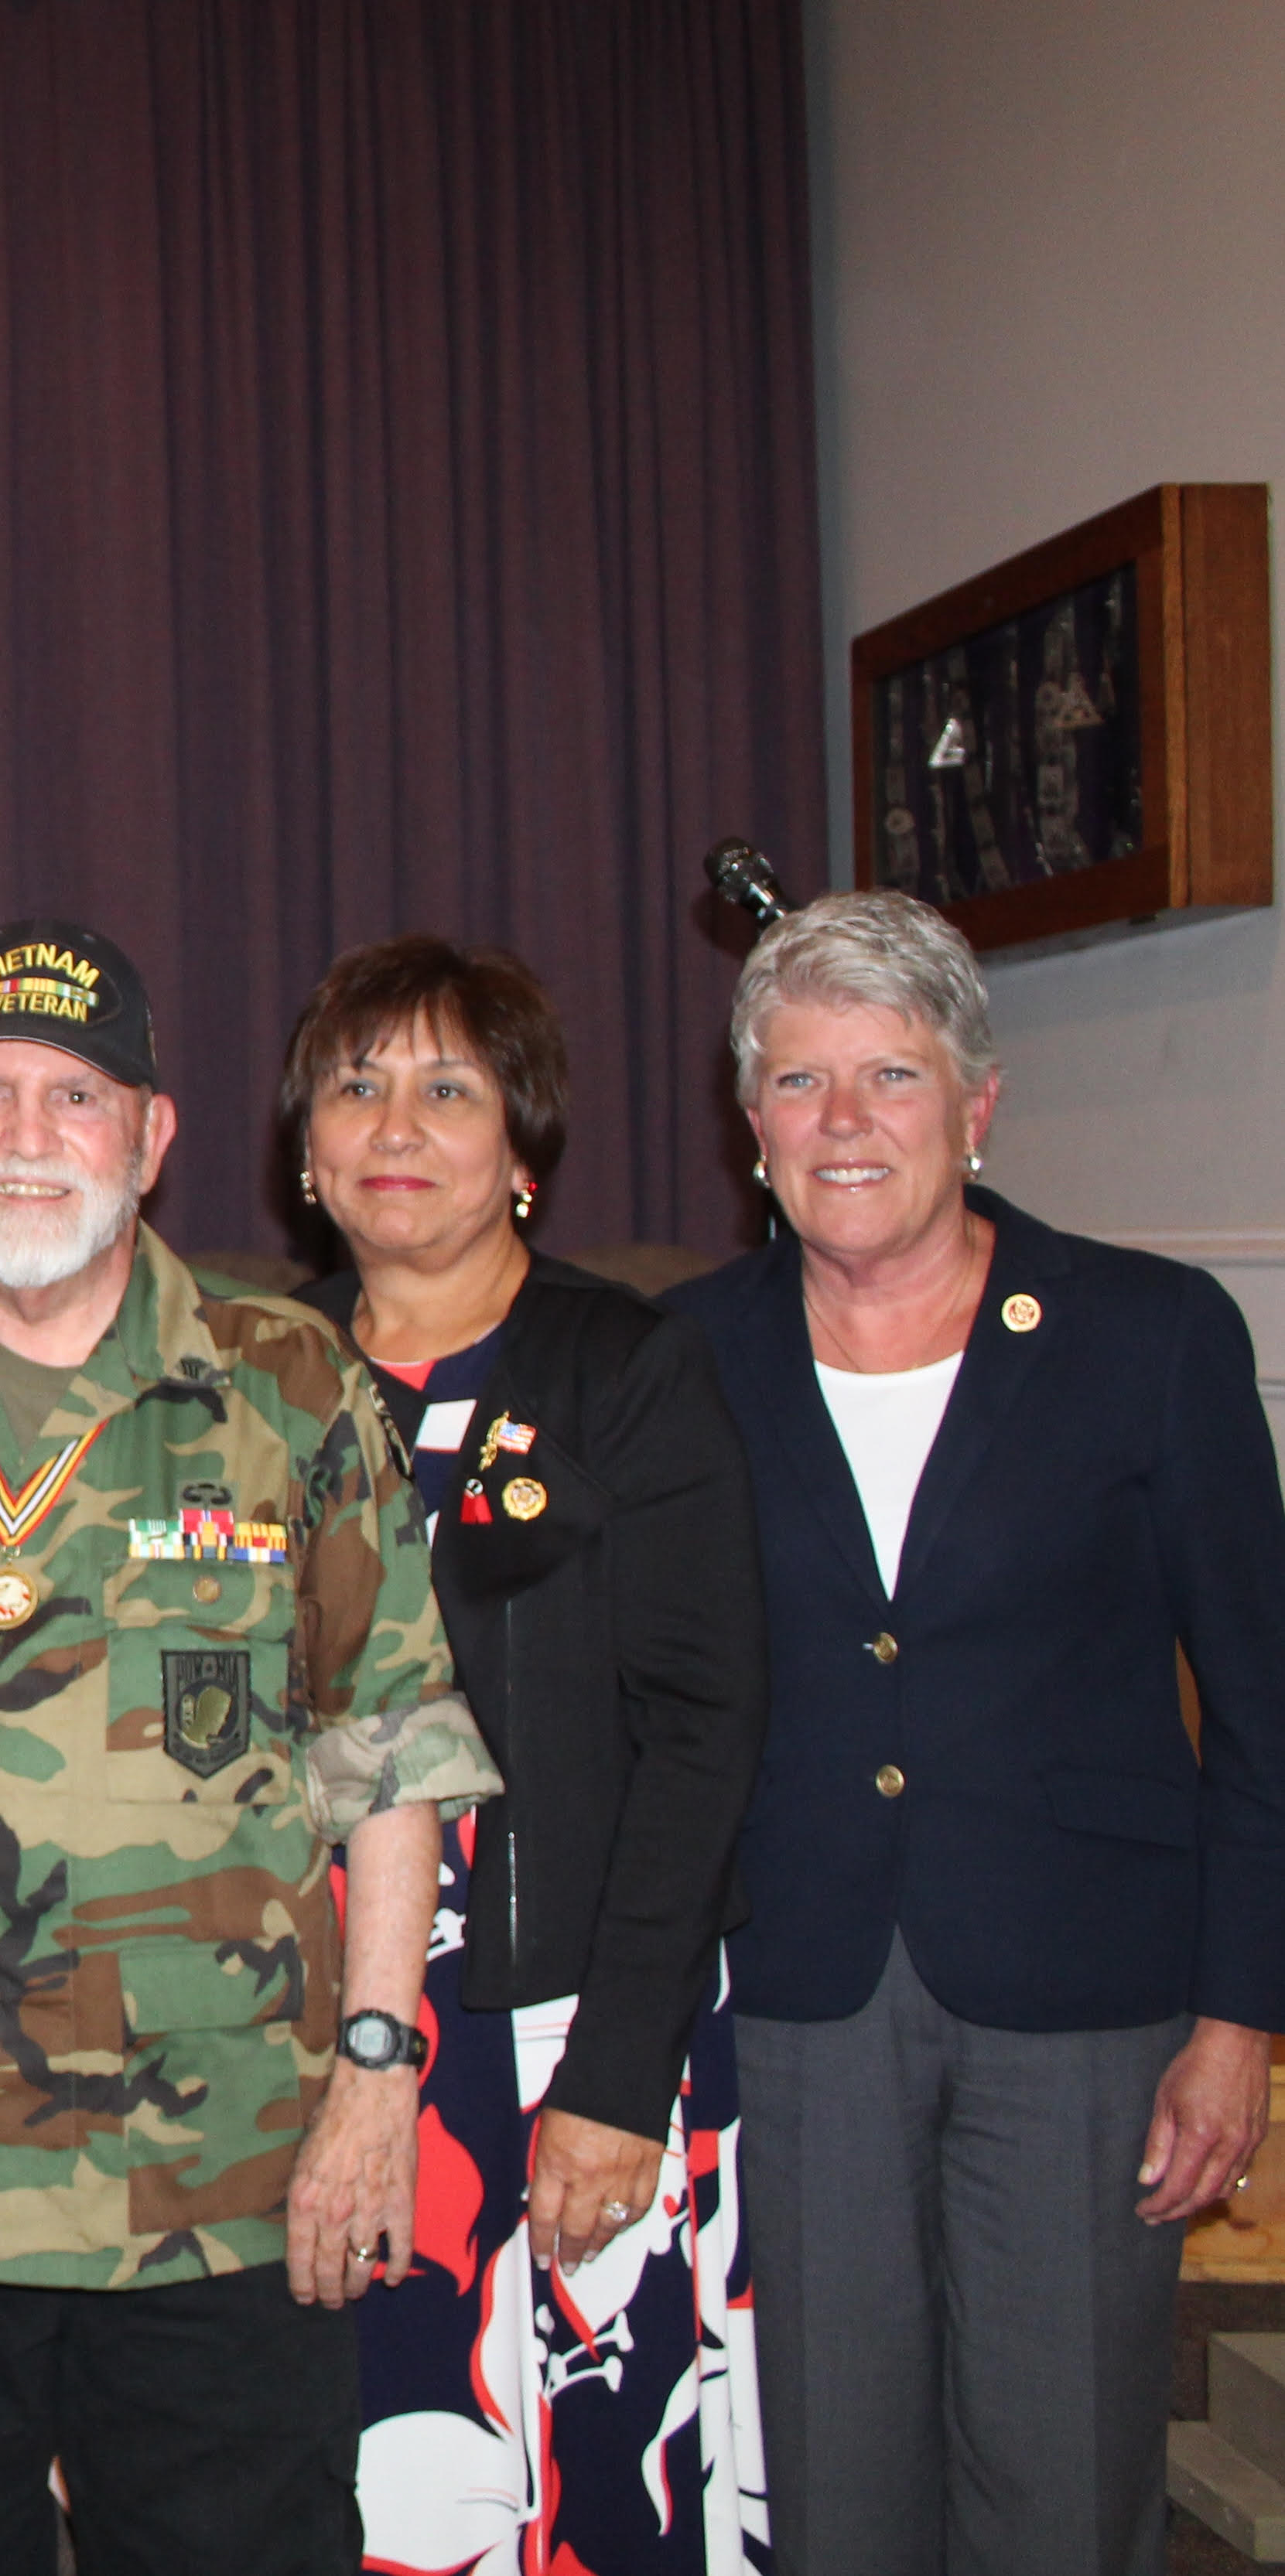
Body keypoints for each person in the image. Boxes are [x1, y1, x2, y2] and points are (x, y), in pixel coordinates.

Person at [0, 918, 501, 2576]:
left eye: (78, 1096)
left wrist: (376, 2077)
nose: (27, 1136)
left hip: (212, 2175)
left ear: (152, 1135)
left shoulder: (286, 1384)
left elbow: (390, 1752)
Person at [665, 888, 1285, 2576]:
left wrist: (1239, 2019)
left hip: (1083, 2000)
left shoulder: (1151, 1334)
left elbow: (1261, 1702)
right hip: (795, 1989)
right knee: (831, 2488)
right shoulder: (686, 1354)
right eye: (798, 1082)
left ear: (976, 1104)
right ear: (750, 1124)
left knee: (1062, 2486)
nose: (843, 1122)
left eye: (890, 1076)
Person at [285, 936, 769, 2571]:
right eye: (356, 1087)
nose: (393, 1126)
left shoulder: (623, 1368)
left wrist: (616, 2078)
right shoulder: (248, 1374)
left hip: (561, 2023)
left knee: (587, 2489)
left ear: (521, 1149)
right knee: (353, 2471)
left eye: (446, 1089)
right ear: (304, 1151)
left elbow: (703, 1737)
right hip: (312, 2027)